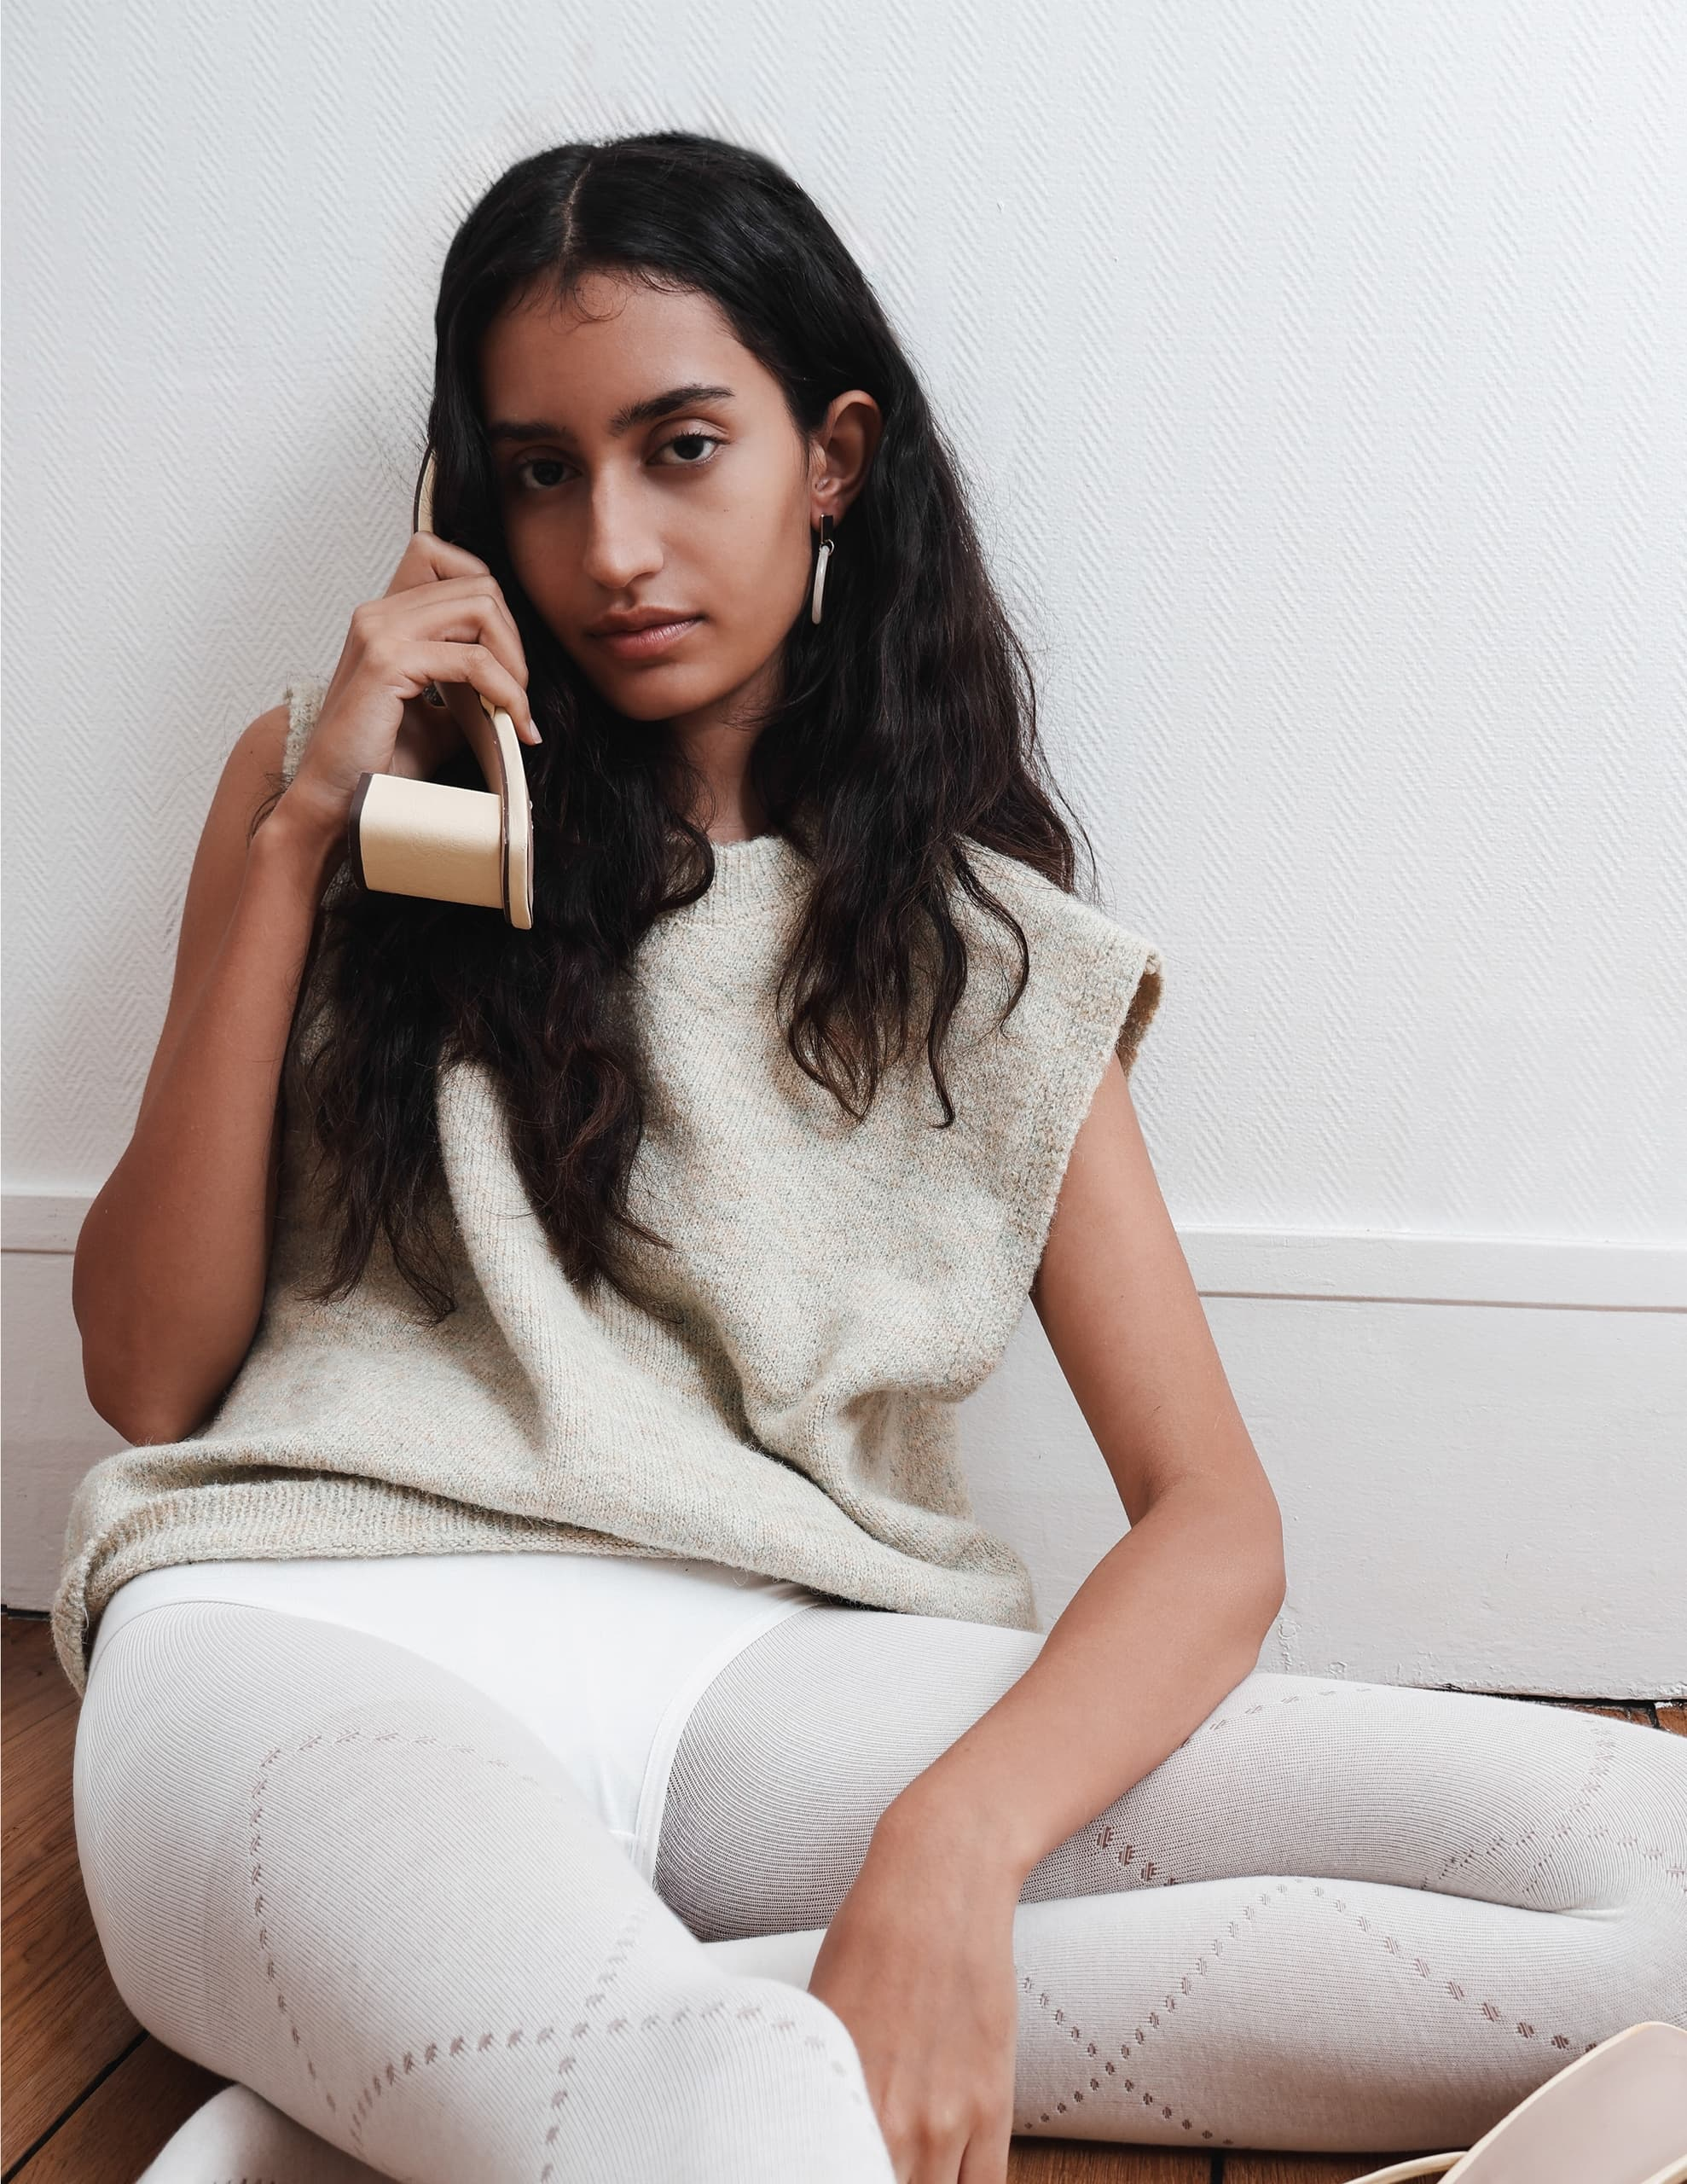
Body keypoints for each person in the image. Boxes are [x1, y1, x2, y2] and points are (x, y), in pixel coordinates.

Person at [61, 132, 1684, 2184]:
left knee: (1658, 1885)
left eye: (677, 447)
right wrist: (306, 832)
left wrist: (950, 1843)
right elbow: (147, 1366)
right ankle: (609, 2047)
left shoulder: (988, 956)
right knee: (734, 2120)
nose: (612, 547)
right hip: (317, 1628)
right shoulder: (338, 793)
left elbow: (1211, 1519)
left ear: (829, 458)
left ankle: (510, 2053)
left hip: (786, 1678)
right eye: (539, 472)